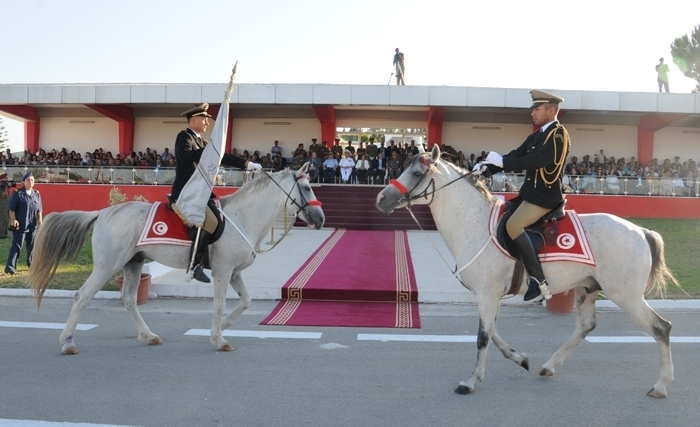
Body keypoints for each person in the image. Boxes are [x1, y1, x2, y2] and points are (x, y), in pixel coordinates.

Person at [474, 90, 570, 301]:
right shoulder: (536, 136)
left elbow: (538, 160)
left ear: (551, 110)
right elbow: (516, 155)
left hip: (545, 197)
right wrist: (488, 167)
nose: (532, 113)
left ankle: (538, 280)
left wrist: (503, 162)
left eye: (537, 109)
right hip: (530, 195)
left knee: (513, 225)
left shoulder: (558, 134)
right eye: (533, 109)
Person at [171, 103, 261, 283]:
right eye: (204, 119)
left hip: (200, 193)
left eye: (207, 120)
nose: (207, 122)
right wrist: (209, 151)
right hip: (186, 193)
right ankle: (194, 265)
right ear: (193, 120)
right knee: (210, 222)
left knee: (219, 217)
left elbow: (223, 156)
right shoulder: (184, 137)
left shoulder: (203, 142)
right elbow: (185, 157)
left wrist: (247, 164)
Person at [4, 172, 43, 275]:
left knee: (32, 246)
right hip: (20, 225)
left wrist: (40, 221)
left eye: (32, 180)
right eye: (28, 180)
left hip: (32, 225)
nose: (30, 182)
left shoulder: (36, 194)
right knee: (17, 245)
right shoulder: (18, 193)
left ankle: (32, 265)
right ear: (23, 182)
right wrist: (13, 220)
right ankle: (10, 267)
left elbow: (39, 209)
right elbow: (11, 209)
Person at [0, 173, 12, 239]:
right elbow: (2, 195)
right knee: (4, 220)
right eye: (5, 178)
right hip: (2, 206)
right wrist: (7, 189)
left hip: (6, 205)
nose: (7, 179)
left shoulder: (4, 186)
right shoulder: (1, 186)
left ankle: (4, 234)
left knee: (5, 220)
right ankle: (2, 234)